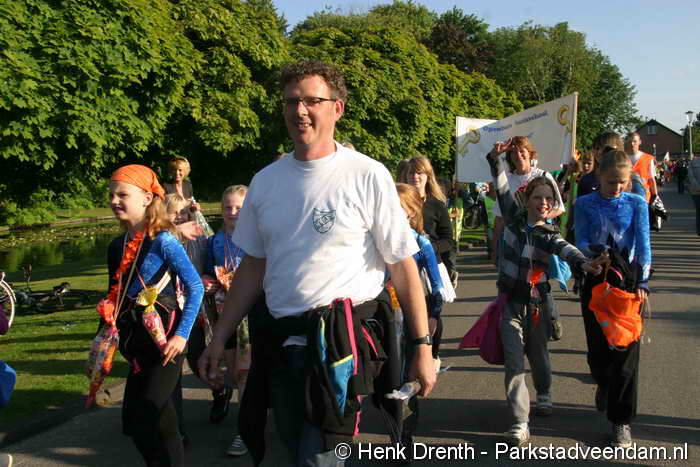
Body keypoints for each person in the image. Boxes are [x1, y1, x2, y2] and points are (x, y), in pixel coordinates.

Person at [198, 60, 436, 466]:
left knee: (318, 455)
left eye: (312, 100)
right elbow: (253, 266)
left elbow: (402, 265)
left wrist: (422, 347)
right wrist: (219, 338)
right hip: (280, 343)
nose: (300, 111)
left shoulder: (367, 175)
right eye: (291, 101)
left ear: (337, 108)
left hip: (340, 343)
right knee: (294, 448)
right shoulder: (266, 181)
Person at [486, 141, 599, 447]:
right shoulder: (512, 217)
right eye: (538, 197)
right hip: (510, 302)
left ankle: (545, 391)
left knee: (538, 356)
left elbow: (566, 248)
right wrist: (496, 159)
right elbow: (501, 185)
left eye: (549, 199)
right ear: (526, 200)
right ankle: (520, 422)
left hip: (537, 304)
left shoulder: (549, 234)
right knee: (514, 363)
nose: (544, 203)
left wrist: (585, 263)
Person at [100, 164, 204, 466]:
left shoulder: (163, 241)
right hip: (136, 343)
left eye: (122, 195)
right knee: (140, 423)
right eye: (111, 195)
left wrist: (182, 336)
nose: (114, 201)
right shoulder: (116, 246)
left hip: (165, 343)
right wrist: (102, 341)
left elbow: (195, 287)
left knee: (150, 412)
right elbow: (114, 296)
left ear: (147, 198)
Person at [575, 150, 651, 448]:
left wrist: (643, 281)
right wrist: (593, 252)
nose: (617, 188)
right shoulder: (584, 204)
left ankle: (621, 421)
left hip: (628, 283)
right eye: (611, 182)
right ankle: (605, 385)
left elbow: (643, 245)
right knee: (598, 353)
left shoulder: (636, 203)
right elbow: (580, 239)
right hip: (596, 278)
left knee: (626, 356)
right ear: (599, 177)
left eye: (622, 182)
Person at [200, 185, 251, 457]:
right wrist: (208, 281)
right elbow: (207, 272)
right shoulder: (215, 242)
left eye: (239, 208)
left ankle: (245, 431)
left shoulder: (257, 239)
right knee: (234, 372)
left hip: (252, 315)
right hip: (226, 315)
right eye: (228, 207)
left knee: (246, 375)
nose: (232, 212)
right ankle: (249, 422)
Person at [399, 156, 457, 288]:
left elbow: (448, 241)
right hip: (404, 267)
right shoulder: (396, 203)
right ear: (406, 175)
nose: (415, 176)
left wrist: (429, 248)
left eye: (419, 172)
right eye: (411, 173)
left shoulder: (437, 205)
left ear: (428, 176)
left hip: (431, 269)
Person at [625, 132, 658, 203]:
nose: (632, 144)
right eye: (629, 141)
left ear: (640, 142)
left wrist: (655, 197)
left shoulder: (648, 158)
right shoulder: (621, 158)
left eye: (634, 141)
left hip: (644, 198)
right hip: (626, 198)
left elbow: (652, 180)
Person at [688, 156, 700, 236]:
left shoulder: (693, 161)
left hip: (696, 191)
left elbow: (691, 176)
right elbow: (690, 176)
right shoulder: (693, 162)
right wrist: (698, 187)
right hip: (696, 191)